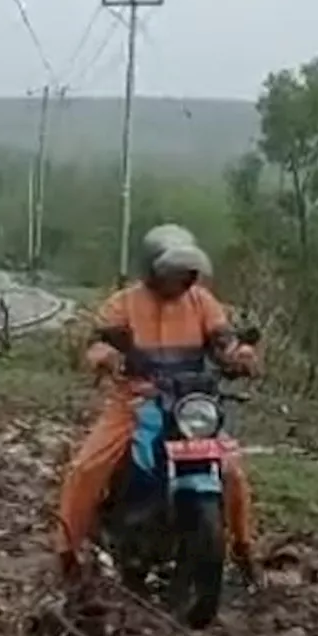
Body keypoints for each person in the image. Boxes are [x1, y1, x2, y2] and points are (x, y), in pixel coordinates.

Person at [56, 225, 260, 580]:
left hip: (190, 404)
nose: (178, 280)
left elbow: (222, 339)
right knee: (86, 468)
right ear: (151, 271)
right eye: (171, 272)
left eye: (185, 273)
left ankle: (244, 550)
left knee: (232, 473)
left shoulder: (201, 302)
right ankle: (67, 552)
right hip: (135, 400)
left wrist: (238, 355)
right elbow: (97, 341)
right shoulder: (124, 303)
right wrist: (105, 356)